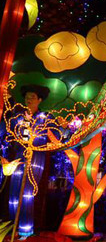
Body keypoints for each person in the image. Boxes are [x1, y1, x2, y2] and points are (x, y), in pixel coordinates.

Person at [7, 84, 51, 238]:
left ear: (39, 100)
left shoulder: (45, 118)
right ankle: (13, 227)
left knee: (27, 193)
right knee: (14, 193)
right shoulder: (18, 117)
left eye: (32, 97)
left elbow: (56, 134)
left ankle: (25, 229)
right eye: (27, 97)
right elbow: (9, 132)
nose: (29, 99)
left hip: (35, 157)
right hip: (19, 156)